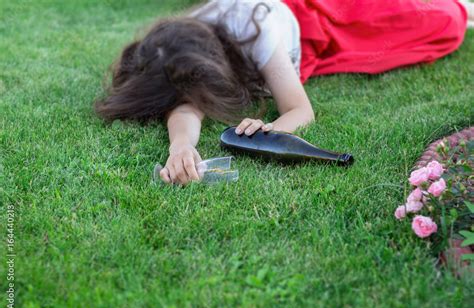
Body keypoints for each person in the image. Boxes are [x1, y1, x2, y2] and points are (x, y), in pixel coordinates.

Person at [94, 0, 473, 185]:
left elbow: (299, 109)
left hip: (317, 22)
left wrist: (272, 127)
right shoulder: (178, 43)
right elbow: (185, 106)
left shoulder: (257, 31)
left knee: (442, 20)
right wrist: (180, 146)